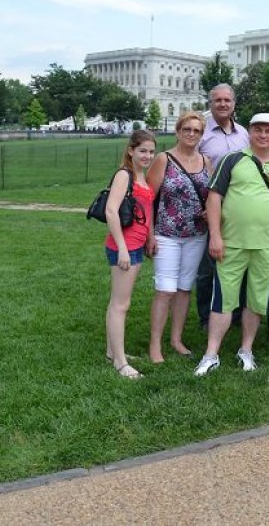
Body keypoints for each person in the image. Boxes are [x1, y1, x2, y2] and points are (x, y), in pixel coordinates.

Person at [194, 113, 269, 376]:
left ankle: (246, 350)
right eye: (258, 130)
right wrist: (215, 236)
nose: (263, 135)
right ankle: (211, 354)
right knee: (223, 300)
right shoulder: (233, 159)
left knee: (256, 301)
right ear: (250, 132)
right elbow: (214, 198)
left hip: (266, 247)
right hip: (231, 244)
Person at [146, 112, 211, 363]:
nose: (191, 134)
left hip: (196, 235)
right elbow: (148, 198)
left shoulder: (206, 161)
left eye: (196, 130)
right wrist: (150, 234)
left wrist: (209, 211)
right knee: (165, 290)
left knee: (184, 289)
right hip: (167, 234)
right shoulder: (164, 159)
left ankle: (176, 339)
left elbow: (210, 195)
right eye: (187, 129)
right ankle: (155, 345)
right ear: (178, 131)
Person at [195, 83, 250, 330]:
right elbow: (191, 169)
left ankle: (236, 313)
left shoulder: (244, 134)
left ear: (234, 103)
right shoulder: (201, 134)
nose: (223, 104)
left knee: (238, 261)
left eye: (227, 100)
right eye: (218, 100)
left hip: (239, 209)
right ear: (211, 103)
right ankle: (207, 316)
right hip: (209, 208)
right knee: (208, 267)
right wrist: (204, 207)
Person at [104, 129, 157, 380]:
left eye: (151, 151)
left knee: (119, 301)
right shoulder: (124, 175)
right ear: (131, 150)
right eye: (143, 151)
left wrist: (149, 238)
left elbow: (145, 211)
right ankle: (120, 362)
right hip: (123, 248)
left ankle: (112, 351)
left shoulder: (141, 176)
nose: (147, 156)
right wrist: (123, 248)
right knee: (120, 305)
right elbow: (111, 212)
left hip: (136, 246)